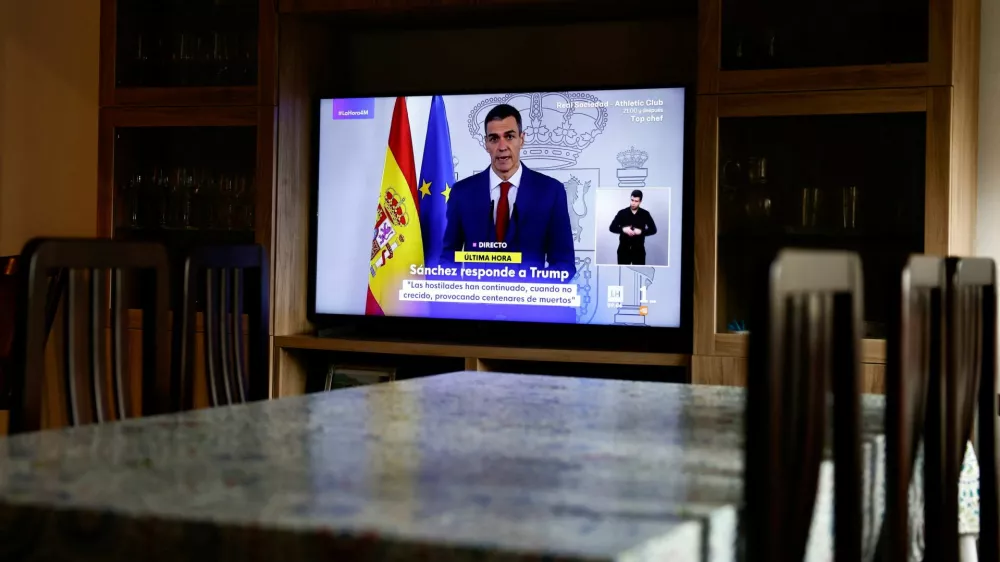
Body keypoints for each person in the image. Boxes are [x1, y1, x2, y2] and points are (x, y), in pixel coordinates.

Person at [440, 104, 576, 280]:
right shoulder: (462, 193)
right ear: (486, 143)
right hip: (475, 304)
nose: (502, 146)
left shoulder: (551, 191)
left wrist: (528, 291)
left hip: (530, 304)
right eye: (494, 139)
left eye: (509, 136)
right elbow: (448, 259)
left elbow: (564, 265)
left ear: (522, 139)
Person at [609, 189, 657, 265]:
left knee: (638, 273)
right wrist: (623, 230)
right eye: (632, 200)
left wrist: (641, 232)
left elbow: (653, 230)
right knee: (623, 274)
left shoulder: (645, 214)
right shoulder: (622, 213)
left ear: (640, 201)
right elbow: (611, 228)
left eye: (636, 201)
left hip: (639, 251)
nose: (633, 203)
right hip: (623, 251)